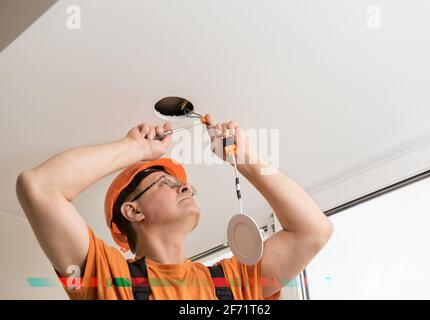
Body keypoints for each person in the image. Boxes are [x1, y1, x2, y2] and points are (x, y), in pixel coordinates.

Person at [16, 114, 333, 300]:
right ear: (133, 211)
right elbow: (39, 187)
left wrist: (246, 160)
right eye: (164, 183)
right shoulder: (110, 279)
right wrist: (135, 149)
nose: (184, 186)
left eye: (183, 183)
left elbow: (314, 230)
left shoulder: (230, 283)